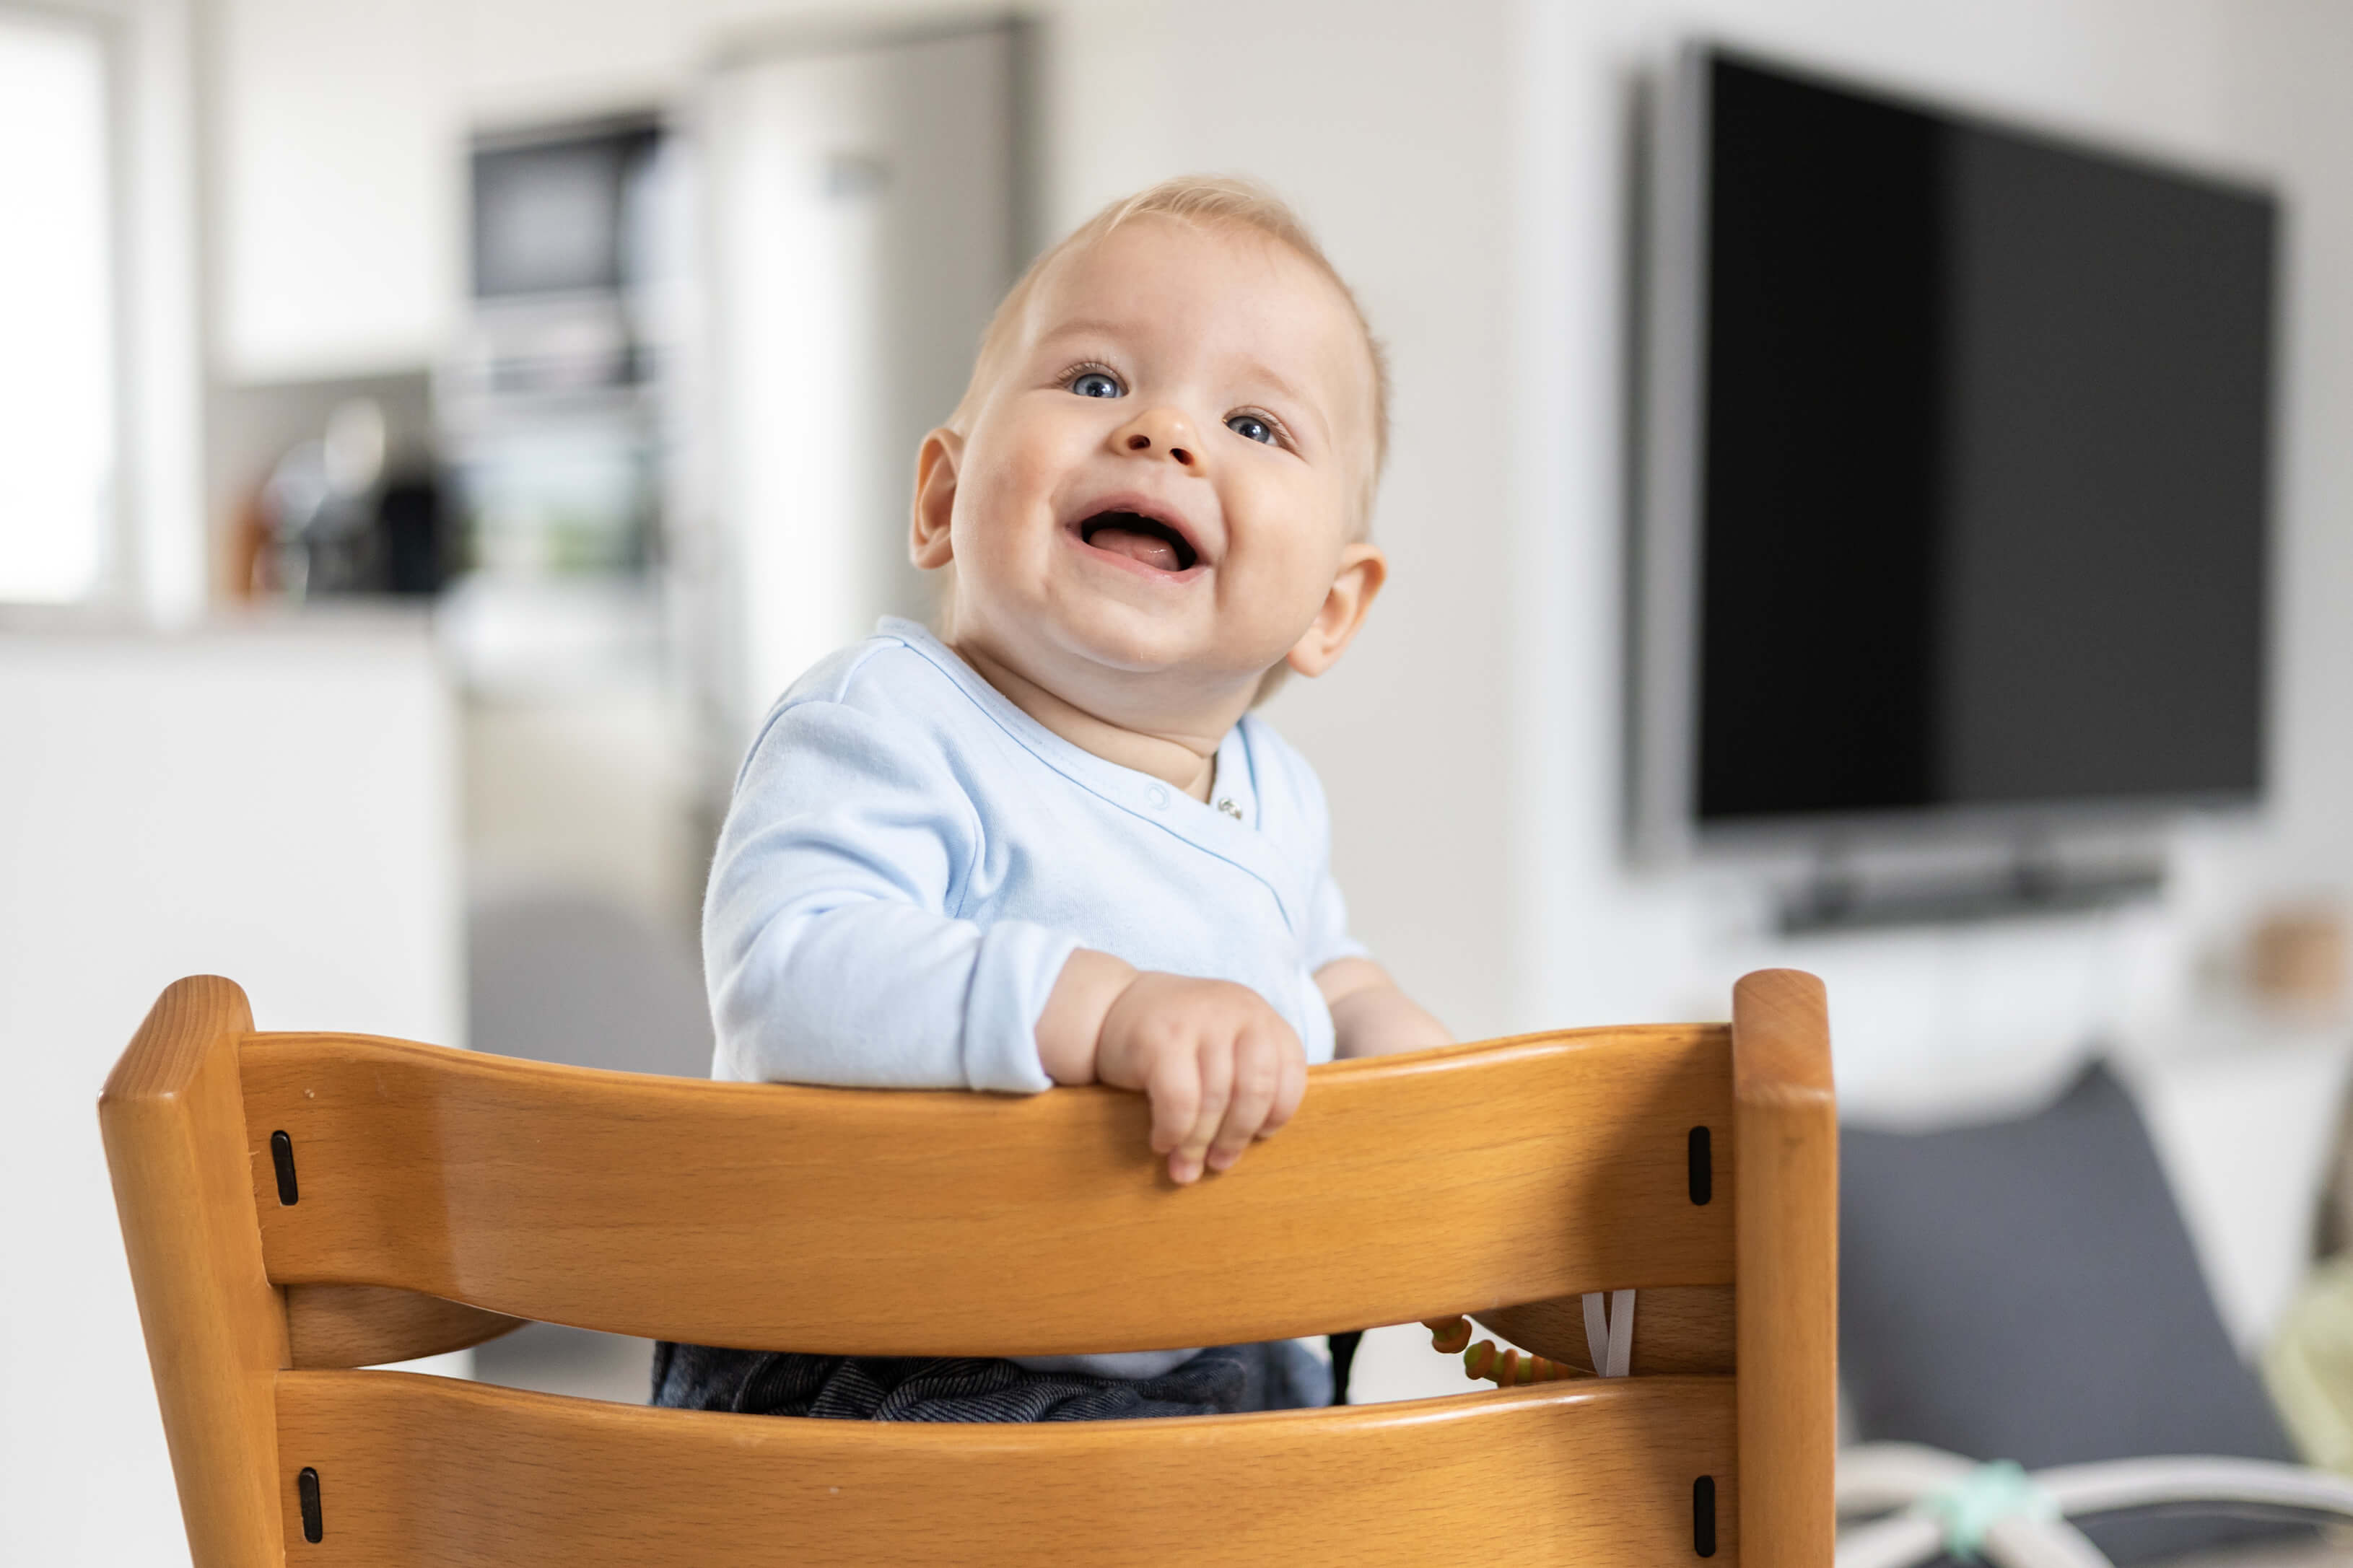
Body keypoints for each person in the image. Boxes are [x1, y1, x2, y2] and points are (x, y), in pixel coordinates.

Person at [652, 175, 1451, 1424]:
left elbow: (1318, 967)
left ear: (1331, 607)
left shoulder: (1276, 799)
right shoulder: (894, 721)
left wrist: (1395, 1045)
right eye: (1095, 383)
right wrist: (1102, 1008)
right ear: (940, 501)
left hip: (1198, 1358)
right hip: (883, 1363)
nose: (1165, 433)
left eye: (1254, 424)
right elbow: (788, 973)